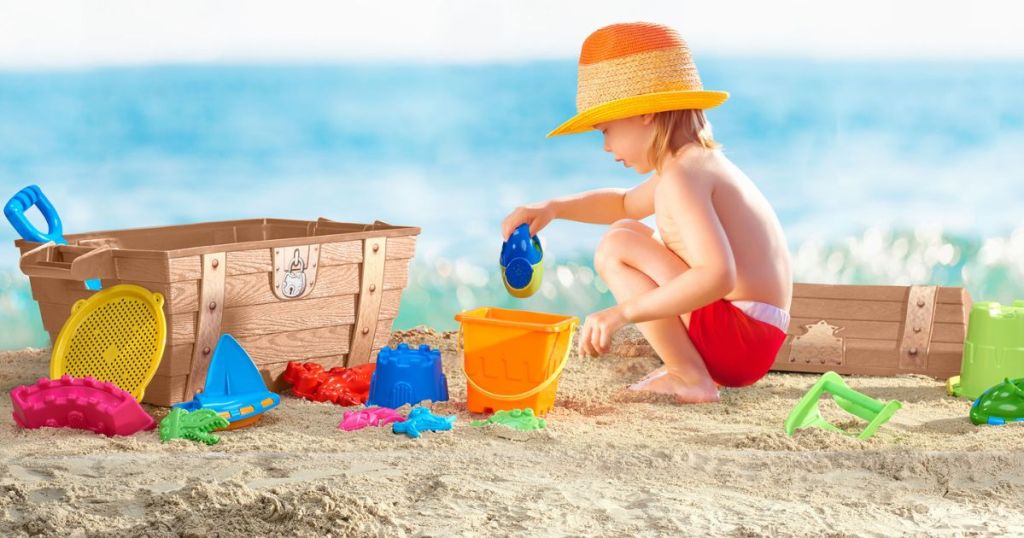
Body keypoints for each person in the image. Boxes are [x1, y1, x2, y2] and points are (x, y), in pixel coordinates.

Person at [501, 22, 792, 403]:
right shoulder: (693, 165)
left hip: (740, 338)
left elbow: (718, 275)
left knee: (617, 245)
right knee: (627, 227)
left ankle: (688, 376)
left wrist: (622, 313)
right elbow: (624, 203)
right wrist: (556, 208)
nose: (605, 146)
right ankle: (691, 369)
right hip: (751, 336)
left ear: (645, 114)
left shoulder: (683, 176)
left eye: (605, 129)